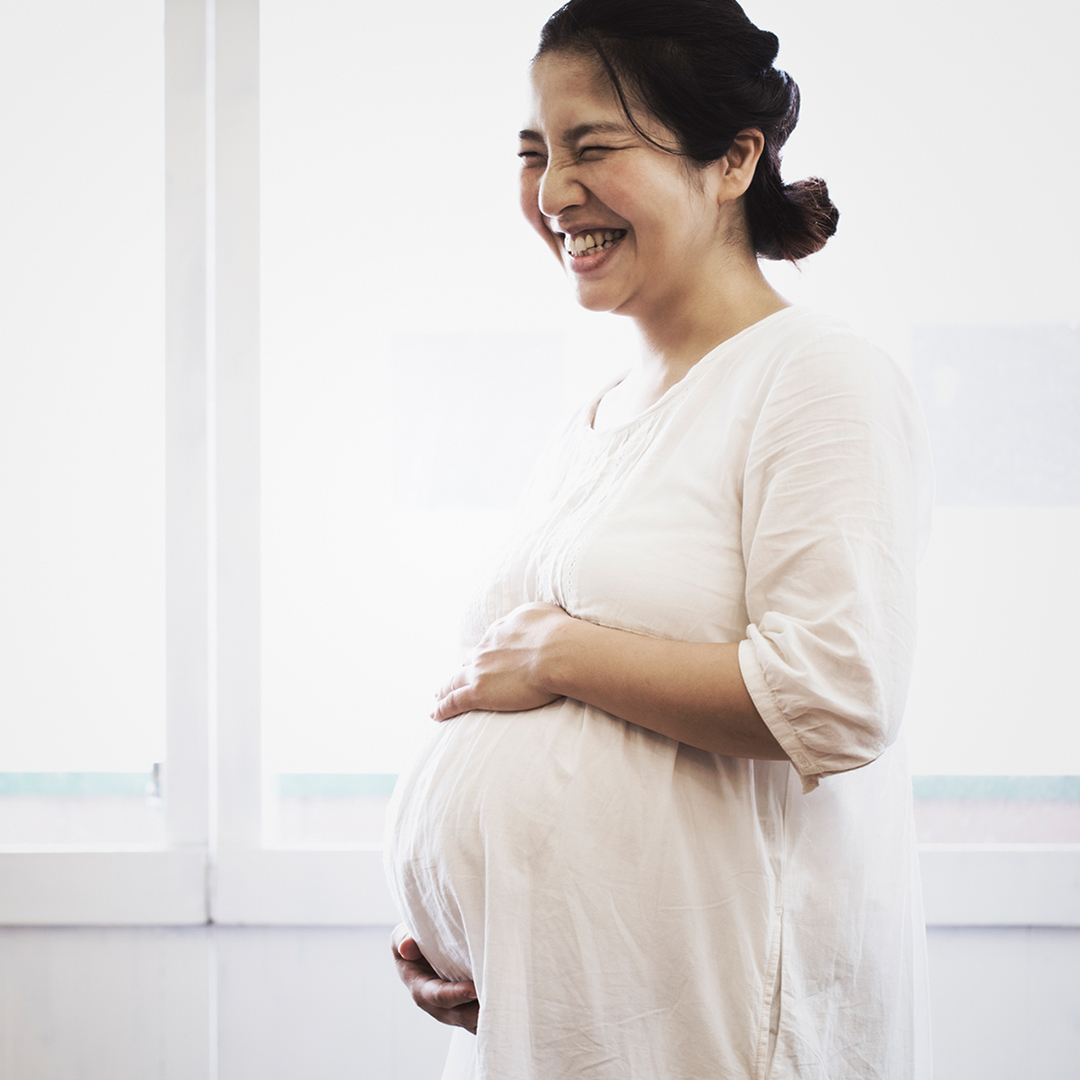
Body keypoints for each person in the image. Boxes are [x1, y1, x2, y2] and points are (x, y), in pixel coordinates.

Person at [385, 0, 934, 1076]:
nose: (551, 194)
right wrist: (460, 930)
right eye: (534, 152)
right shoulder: (592, 420)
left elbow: (835, 696)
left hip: (717, 1033)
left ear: (732, 160)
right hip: (551, 1024)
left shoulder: (815, 381)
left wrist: (559, 655)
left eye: (593, 147)